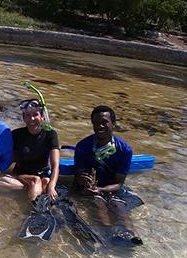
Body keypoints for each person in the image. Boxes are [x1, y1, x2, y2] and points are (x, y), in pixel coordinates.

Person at [74, 105, 142, 245]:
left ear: (113, 124)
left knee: (119, 207)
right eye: (96, 123)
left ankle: (131, 235)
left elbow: (119, 183)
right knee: (98, 204)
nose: (100, 126)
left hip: (111, 187)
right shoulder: (82, 146)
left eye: (104, 122)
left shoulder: (124, 150)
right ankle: (109, 234)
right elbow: (79, 175)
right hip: (91, 188)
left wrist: (101, 189)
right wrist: (85, 181)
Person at [11, 99, 60, 201]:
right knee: (35, 180)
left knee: (46, 181)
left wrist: (52, 186)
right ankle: (33, 211)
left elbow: (55, 165)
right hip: (21, 174)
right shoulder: (16, 134)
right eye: (27, 115)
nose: (31, 119)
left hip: (43, 174)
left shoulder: (50, 134)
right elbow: (10, 160)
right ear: (23, 118)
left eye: (35, 114)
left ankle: (30, 201)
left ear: (42, 117)